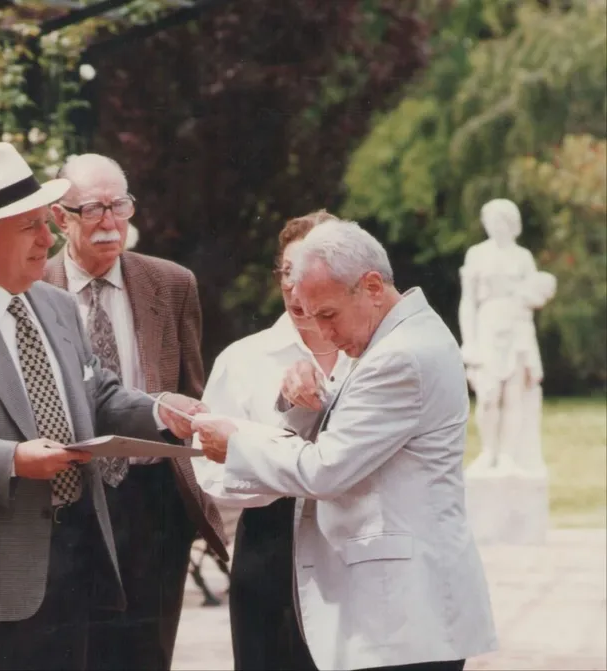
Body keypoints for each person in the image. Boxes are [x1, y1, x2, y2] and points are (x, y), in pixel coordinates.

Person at [0, 142, 205, 671]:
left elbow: (98, 394)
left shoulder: (54, 305)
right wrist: (12, 460)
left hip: (78, 562)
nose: (48, 239)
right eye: (31, 227)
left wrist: (162, 411)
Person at [193, 220, 498, 671]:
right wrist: (301, 399)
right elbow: (353, 427)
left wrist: (237, 444)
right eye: (310, 317)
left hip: (407, 615)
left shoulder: (400, 356)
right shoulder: (392, 340)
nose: (324, 334)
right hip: (398, 611)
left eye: (328, 315)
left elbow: (325, 469)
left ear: (372, 286)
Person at [44, 154, 228, 671]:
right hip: (70, 500)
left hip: (153, 506)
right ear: (61, 217)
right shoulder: (33, 288)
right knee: (73, 651)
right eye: (93, 209)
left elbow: (190, 389)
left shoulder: (171, 285)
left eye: (119, 205)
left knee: (146, 656)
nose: (110, 222)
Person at [191, 210, 345, 671]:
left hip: (355, 551)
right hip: (271, 547)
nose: (297, 289)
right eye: (288, 272)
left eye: (312, 272)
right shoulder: (244, 359)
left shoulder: (375, 354)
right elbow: (210, 470)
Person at [458, 198, 556, 475]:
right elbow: (468, 302)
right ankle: (489, 450)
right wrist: (470, 341)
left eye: (500, 221)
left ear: (512, 225)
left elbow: (536, 293)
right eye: (490, 221)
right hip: (488, 325)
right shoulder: (476, 254)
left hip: (516, 328)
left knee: (514, 395)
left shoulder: (522, 257)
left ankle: (508, 456)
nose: (494, 226)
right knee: (488, 395)